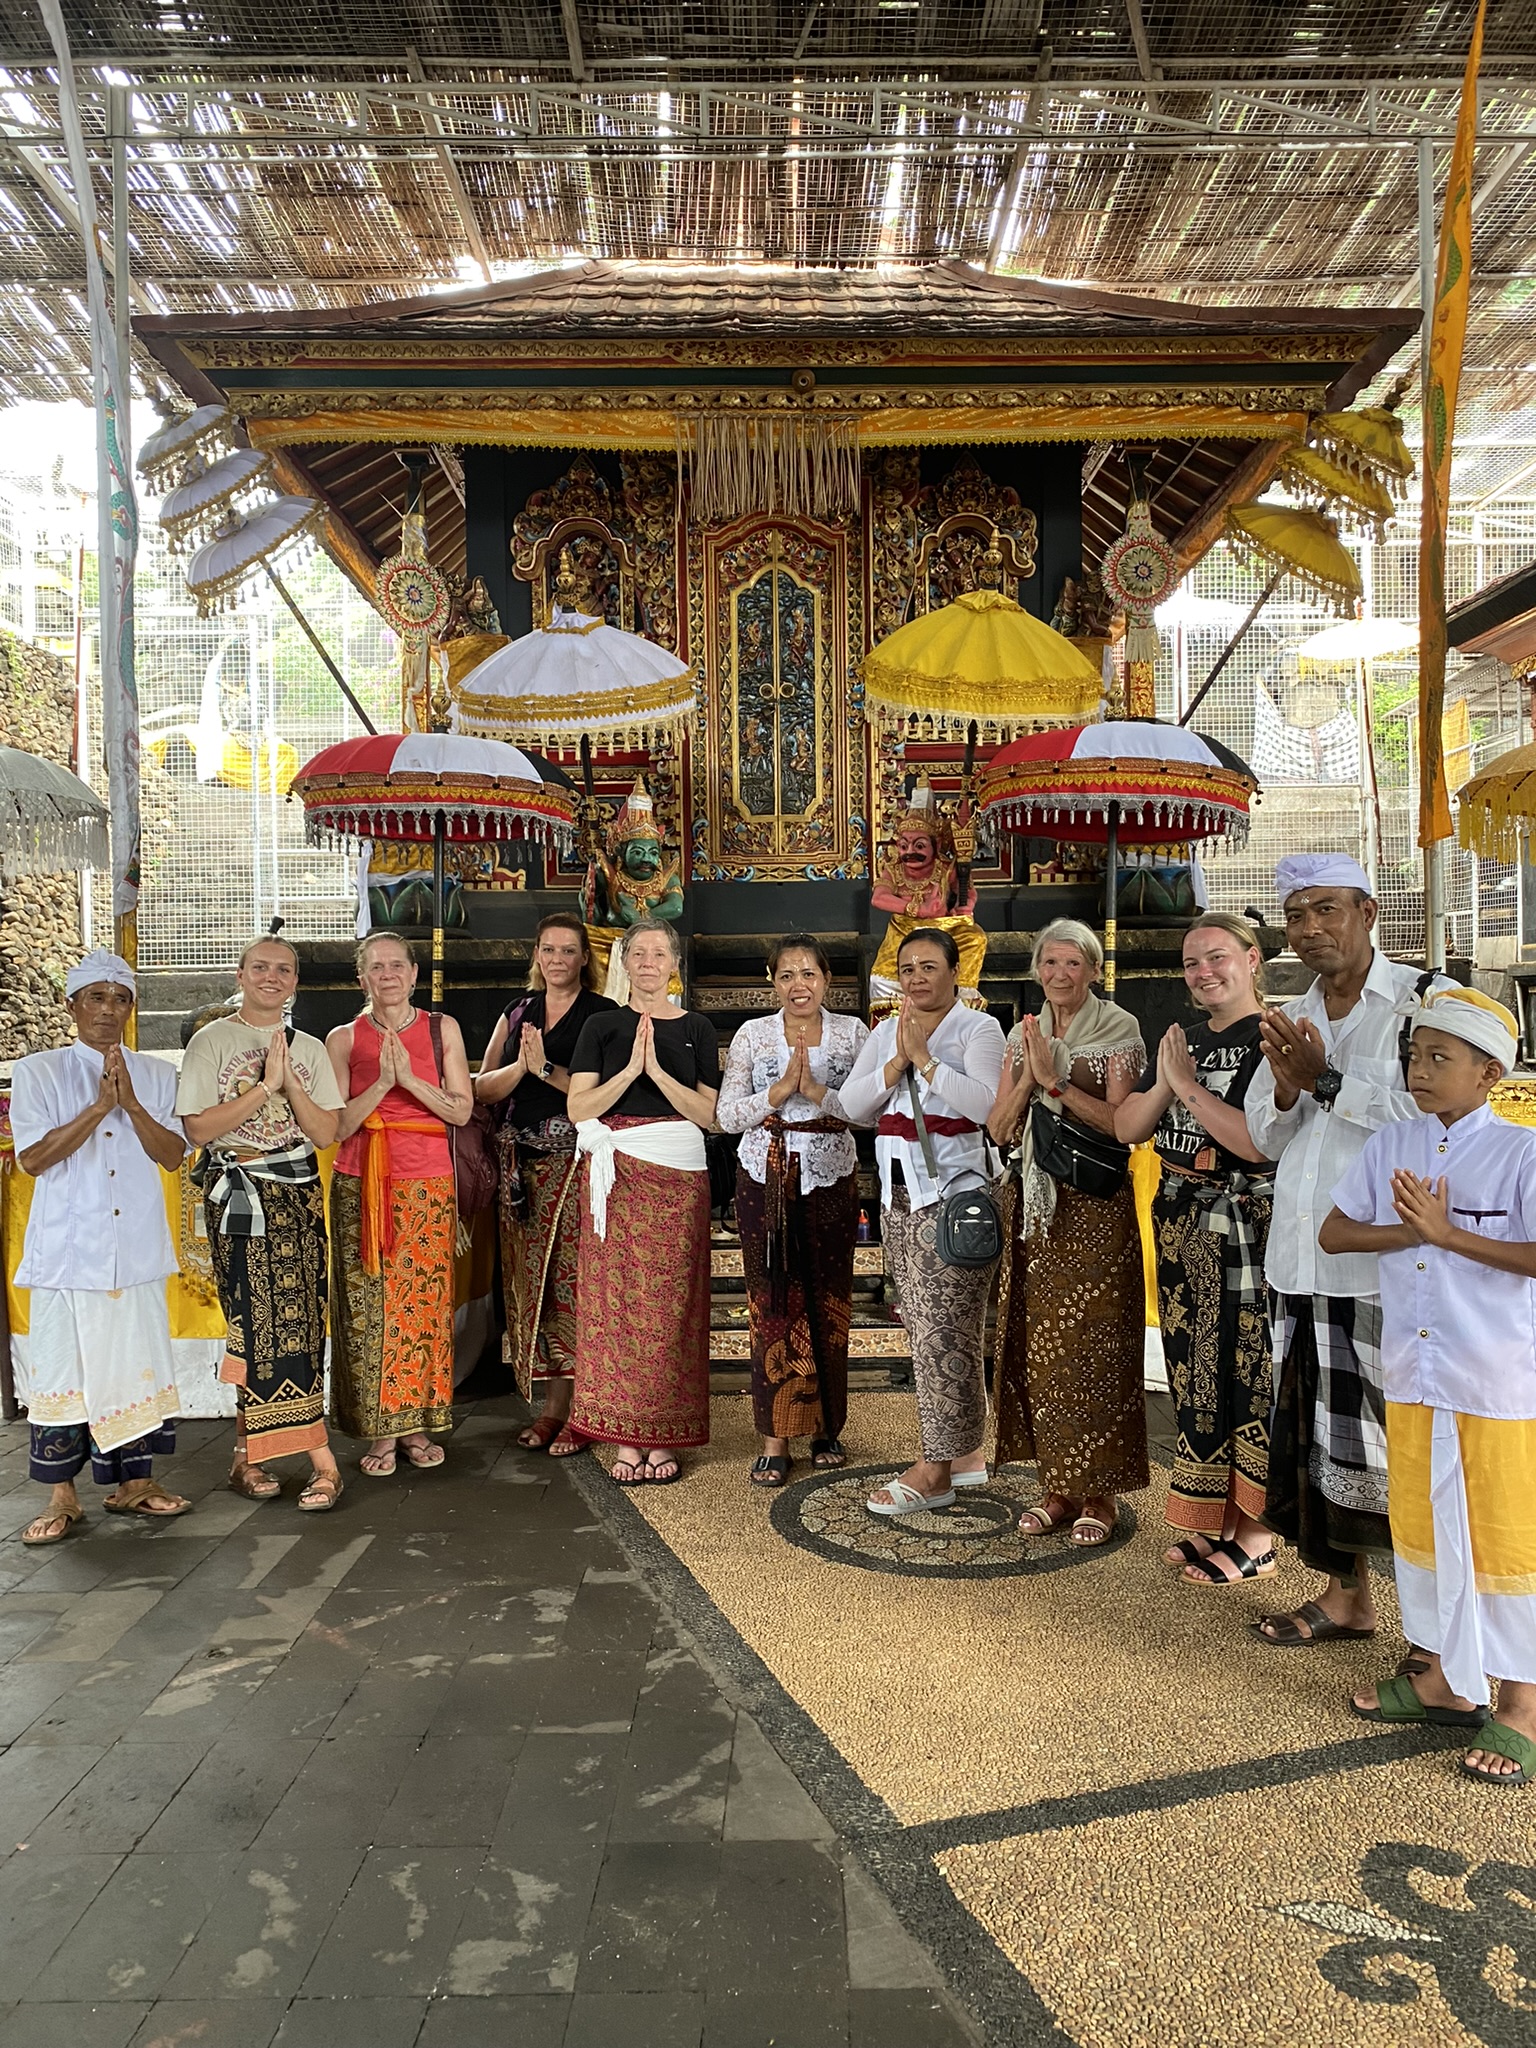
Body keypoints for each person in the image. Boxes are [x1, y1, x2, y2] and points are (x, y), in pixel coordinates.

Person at [1319, 988, 1536, 1785]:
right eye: (1414, 1054)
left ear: (1489, 1073)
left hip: (1494, 1381)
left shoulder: (1521, 1153)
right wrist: (1408, 1232)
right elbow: (1336, 1232)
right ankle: (1445, 1678)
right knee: (1426, 1531)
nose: (1419, 1069)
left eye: (1439, 1057)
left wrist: (1450, 1236)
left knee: (1507, 1541)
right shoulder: (1393, 1143)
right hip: (1414, 1375)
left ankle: (1522, 1703)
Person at [1246, 852, 1454, 1648]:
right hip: (1300, 1261)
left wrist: (1326, 1080)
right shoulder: (1293, 1011)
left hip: (1383, 1271)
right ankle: (1345, 1598)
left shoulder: (1419, 1005)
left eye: (1326, 910)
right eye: (1296, 915)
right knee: (1316, 1442)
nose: (1309, 929)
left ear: (1368, 913)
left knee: (1395, 1447)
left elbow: (1438, 1112)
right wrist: (1292, 1087)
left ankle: (1436, 1640)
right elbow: (1267, 1136)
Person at [1115, 914, 1276, 1582]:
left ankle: (1258, 1534)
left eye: (1217, 958)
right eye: (1191, 964)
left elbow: (1256, 1142)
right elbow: (1130, 1127)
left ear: (1253, 958)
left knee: (1250, 1374)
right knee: (1194, 1373)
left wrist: (1184, 1086)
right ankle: (1214, 1517)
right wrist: (1164, 1079)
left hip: (1244, 1226)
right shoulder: (1185, 1039)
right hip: (1182, 1225)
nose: (1204, 973)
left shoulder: (1275, 1038)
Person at [12, 950, 191, 1543]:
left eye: (120, 999)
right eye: (96, 997)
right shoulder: (40, 1072)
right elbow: (34, 1159)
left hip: (134, 1251)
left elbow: (171, 1155)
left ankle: (136, 1484)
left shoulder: (159, 1075)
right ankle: (61, 1498)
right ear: (72, 1006)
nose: (108, 1010)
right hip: (66, 1255)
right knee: (65, 1371)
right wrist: (98, 1107)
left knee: (136, 1367)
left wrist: (132, 1104)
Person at [988, 919, 1148, 1546]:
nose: (1060, 975)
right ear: (1037, 970)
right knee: (1042, 1347)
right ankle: (1056, 1487)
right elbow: (1000, 1128)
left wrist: (1056, 1080)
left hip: (1095, 1207)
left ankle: (1099, 1493)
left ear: (1093, 969)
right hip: (1036, 1207)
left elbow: (1122, 1124)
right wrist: (1030, 1073)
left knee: (1097, 1346)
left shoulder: (1118, 1030)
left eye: (1073, 964)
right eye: (1049, 963)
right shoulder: (1021, 1033)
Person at [840, 928, 1006, 1514]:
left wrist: (927, 1063)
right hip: (898, 1198)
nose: (915, 977)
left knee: (944, 1330)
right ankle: (965, 1456)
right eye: (906, 967)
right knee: (928, 1330)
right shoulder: (885, 1029)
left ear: (954, 972)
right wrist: (893, 1066)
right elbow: (852, 1107)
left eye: (928, 966)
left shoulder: (979, 1028)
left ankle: (935, 1465)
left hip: (954, 1199)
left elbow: (989, 1108)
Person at [178, 934, 345, 1508]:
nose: (272, 977)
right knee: (257, 1326)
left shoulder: (311, 1047)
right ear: (240, 974)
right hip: (239, 1196)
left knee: (298, 1321)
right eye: (261, 968)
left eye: (284, 970)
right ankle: (321, 1459)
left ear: (296, 982)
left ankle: (246, 1457)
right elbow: (199, 1130)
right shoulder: (212, 1042)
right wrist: (265, 1089)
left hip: (297, 1197)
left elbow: (326, 1133)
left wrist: (291, 1084)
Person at [565, 917, 719, 1485]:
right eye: (639, 953)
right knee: (617, 1302)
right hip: (617, 1171)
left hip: (679, 1171)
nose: (649, 963)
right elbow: (579, 1110)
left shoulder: (696, 1028)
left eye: (660, 953)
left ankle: (663, 1433)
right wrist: (630, 1068)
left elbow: (711, 1116)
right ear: (624, 962)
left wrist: (657, 1070)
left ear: (674, 964)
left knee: (673, 1302)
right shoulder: (602, 1025)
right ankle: (625, 1437)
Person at [717, 934, 870, 1486]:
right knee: (773, 1299)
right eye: (786, 975)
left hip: (830, 1173)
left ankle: (827, 1426)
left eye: (809, 974)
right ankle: (774, 1436)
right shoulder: (752, 1034)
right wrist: (780, 1092)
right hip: (765, 1173)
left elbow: (871, 1114)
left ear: (827, 980)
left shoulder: (854, 1032)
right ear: (771, 981)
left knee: (829, 1297)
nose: (798, 984)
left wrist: (821, 1092)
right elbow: (727, 1116)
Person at [326, 933, 473, 1478]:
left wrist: (408, 1079)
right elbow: (335, 1123)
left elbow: (460, 1111)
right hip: (360, 1180)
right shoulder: (342, 1038)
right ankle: (379, 1430)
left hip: (427, 1181)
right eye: (375, 967)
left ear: (413, 974)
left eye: (396, 966)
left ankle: (416, 1425)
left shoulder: (442, 1029)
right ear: (361, 979)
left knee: (422, 1305)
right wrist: (381, 1084)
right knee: (368, 1305)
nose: (386, 975)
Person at [475, 912, 616, 1454]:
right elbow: (484, 1088)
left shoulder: (603, 1016)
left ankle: (576, 1410)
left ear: (585, 959)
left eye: (568, 951)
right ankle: (551, 1405)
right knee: (529, 1290)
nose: (557, 960)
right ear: (536, 955)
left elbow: (603, 1097)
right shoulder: (516, 1013)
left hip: (573, 1167)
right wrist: (521, 1070)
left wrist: (547, 1071)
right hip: (518, 1173)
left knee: (572, 1286)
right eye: (548, 950)